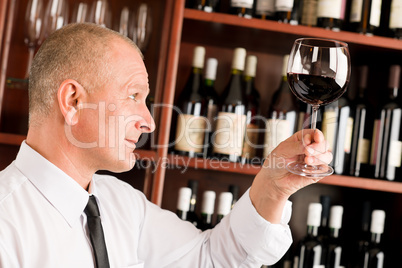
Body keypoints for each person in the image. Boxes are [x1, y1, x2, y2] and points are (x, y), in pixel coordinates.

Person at [0, 23, 332, 267]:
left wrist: (274, 186)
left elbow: (210, 258)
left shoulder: (120, 202)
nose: (150, 122)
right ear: (73, 101)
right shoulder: (6, 221)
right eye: (133, 96)